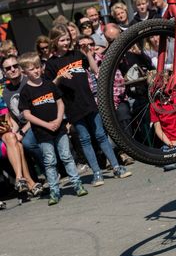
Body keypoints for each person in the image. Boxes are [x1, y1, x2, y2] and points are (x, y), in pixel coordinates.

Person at [44, 25, 132, 186]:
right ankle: (97, 173)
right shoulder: (51, 64)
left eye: (67, 39)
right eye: (62, 40)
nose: (65, 42)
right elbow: (49, 90)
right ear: (54, 41)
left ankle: (116, 166)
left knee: (100, 135)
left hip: (90, 102)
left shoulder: (77, 54)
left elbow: (95, 69)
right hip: (73, 107)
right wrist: (58, 77)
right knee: (85, 139)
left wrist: (89, 54)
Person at [18, 53, 88, 206]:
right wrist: (46, 124)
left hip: (59, 128)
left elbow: (60, 103)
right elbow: (27, 114)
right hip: (42, 133)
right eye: (31, 69)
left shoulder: (49, 84)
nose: (36, 71)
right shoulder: (26, 92)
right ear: (24, 72)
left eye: (38, 67)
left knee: (66, 156)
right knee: (50, 161)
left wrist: (58, 119)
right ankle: (54, 191)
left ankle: (77, 184)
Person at [0, 108, 41, 197]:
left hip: (4, 137)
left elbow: (8, 123)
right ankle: (28, 181)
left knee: (13, 139)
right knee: (17, 144)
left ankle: (19, 178)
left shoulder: (0, 101)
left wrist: (6, 127)